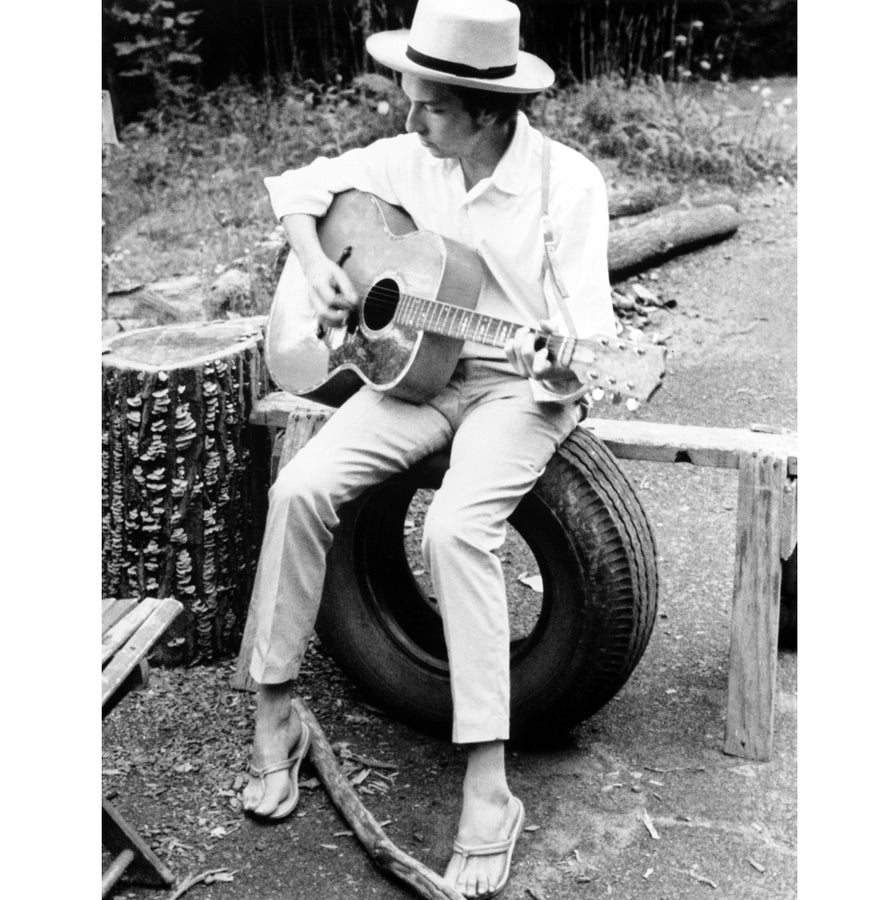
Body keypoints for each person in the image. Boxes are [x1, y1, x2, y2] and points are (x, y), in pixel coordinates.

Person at [240, 0, 615, 896]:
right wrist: (320, 262)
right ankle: (275, 711)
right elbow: (299, 187)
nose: (407, 122)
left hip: (518, 388)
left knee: (454, 530)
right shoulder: (413, 157)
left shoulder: (569, 188)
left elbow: (593, 343)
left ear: (490, 112)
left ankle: (489, 789)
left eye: (429, 108)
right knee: (300, 488)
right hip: (414, 376)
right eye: (407, 101)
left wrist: (565, 369)